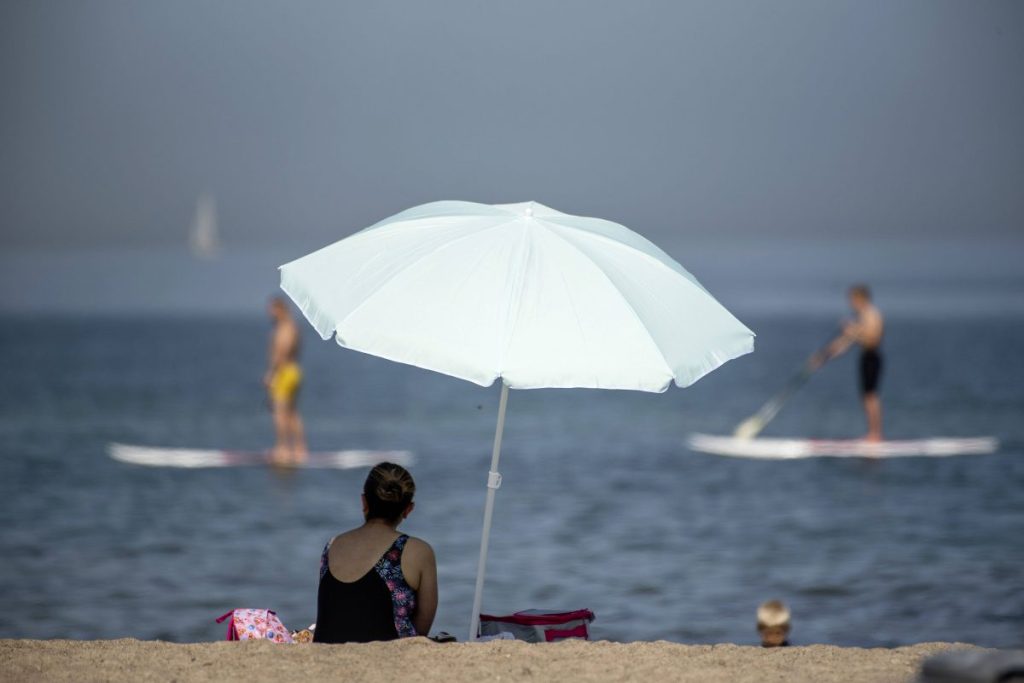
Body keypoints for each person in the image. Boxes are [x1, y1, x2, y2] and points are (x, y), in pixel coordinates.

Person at [314, 463, 438, 643]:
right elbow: (422, 628)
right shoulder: (418, 551)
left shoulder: (332, 545)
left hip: (325, 653)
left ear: (364, 502)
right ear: (408, 510)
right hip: (389, 656)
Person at [813, 284, 885, 442]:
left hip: (872, 357)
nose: (850, 303)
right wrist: (823, 356)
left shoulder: (872, 315)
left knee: (871, 396)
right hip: (865, 357)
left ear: (861, 298)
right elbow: (844, 343)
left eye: (852, 299)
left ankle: (875, 434)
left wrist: (852, 330)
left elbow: (872, 340)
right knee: (866, 396)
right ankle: (872, 433)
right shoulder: (861, 317)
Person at [264, 297, 307, 464]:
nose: (270, 314)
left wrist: (271, 374)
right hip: (294, 370)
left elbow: (282, 352)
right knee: (292, 412)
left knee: (280, 412)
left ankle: (283, 449)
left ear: (280, 310)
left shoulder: (285, 328)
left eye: (272, 310)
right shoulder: (294, 327)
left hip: (284, 372)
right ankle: (299, 448)